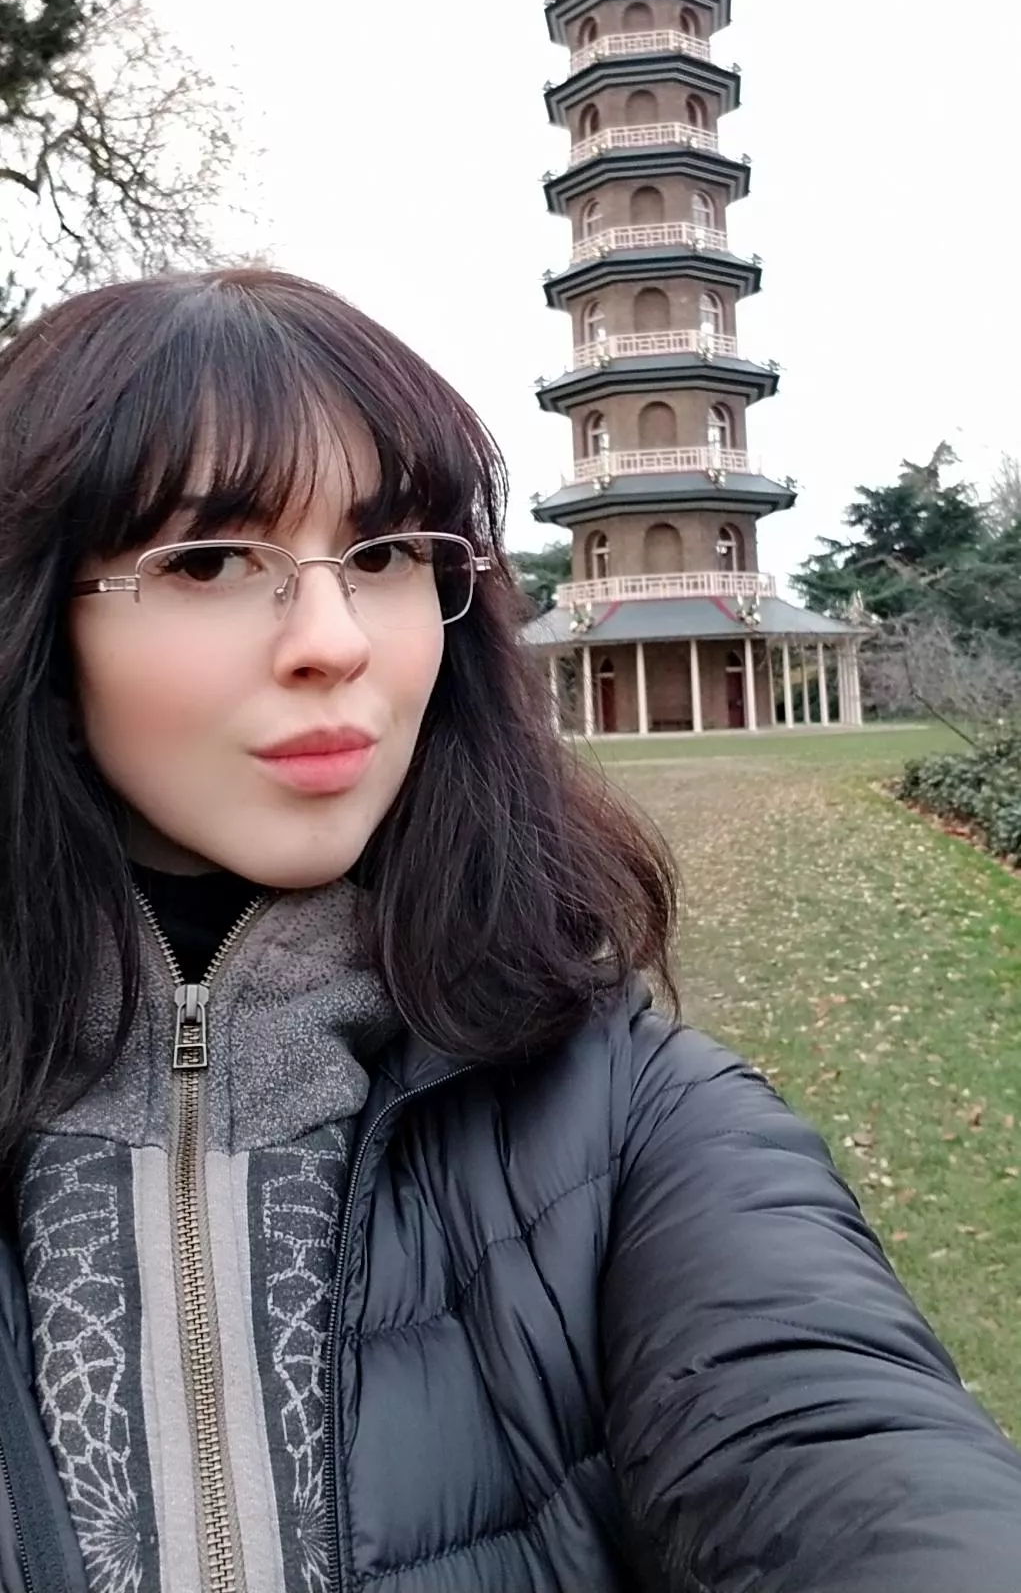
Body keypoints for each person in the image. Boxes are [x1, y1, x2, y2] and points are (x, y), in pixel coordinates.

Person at [0, 269, 1018, 1593]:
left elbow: (836, 1440)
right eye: (206, 560)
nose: (334, 640)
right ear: (36, 623)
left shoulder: (632, 1124)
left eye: (389, 556)